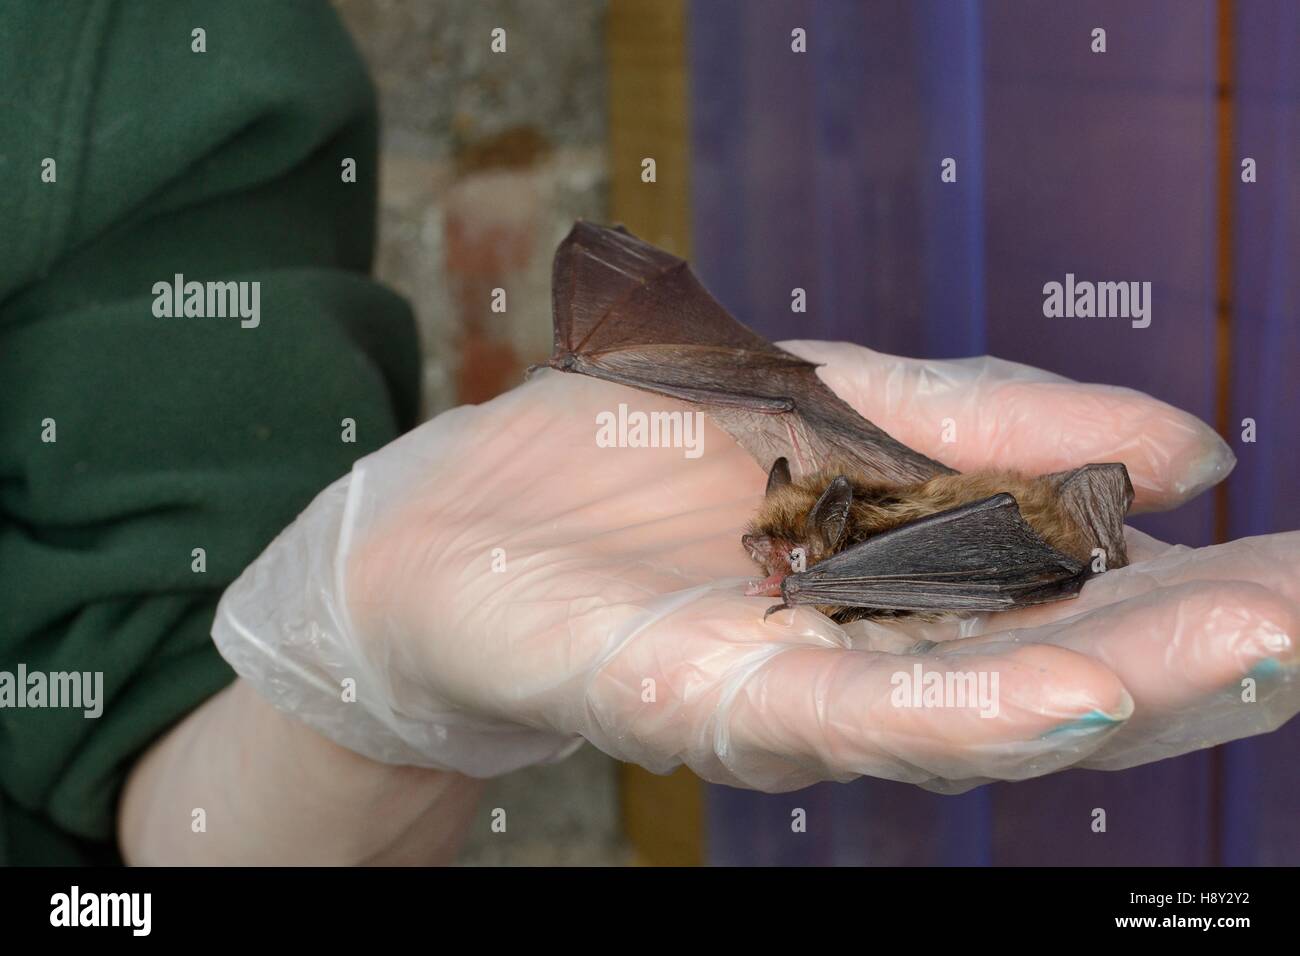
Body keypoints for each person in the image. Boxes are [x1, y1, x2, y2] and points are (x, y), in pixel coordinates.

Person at [4, 4, 1296, 867]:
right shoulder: (827, 507)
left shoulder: (126, 51)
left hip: (939, 537)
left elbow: (155, 781)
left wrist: (354, 686)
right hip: (934, 534)